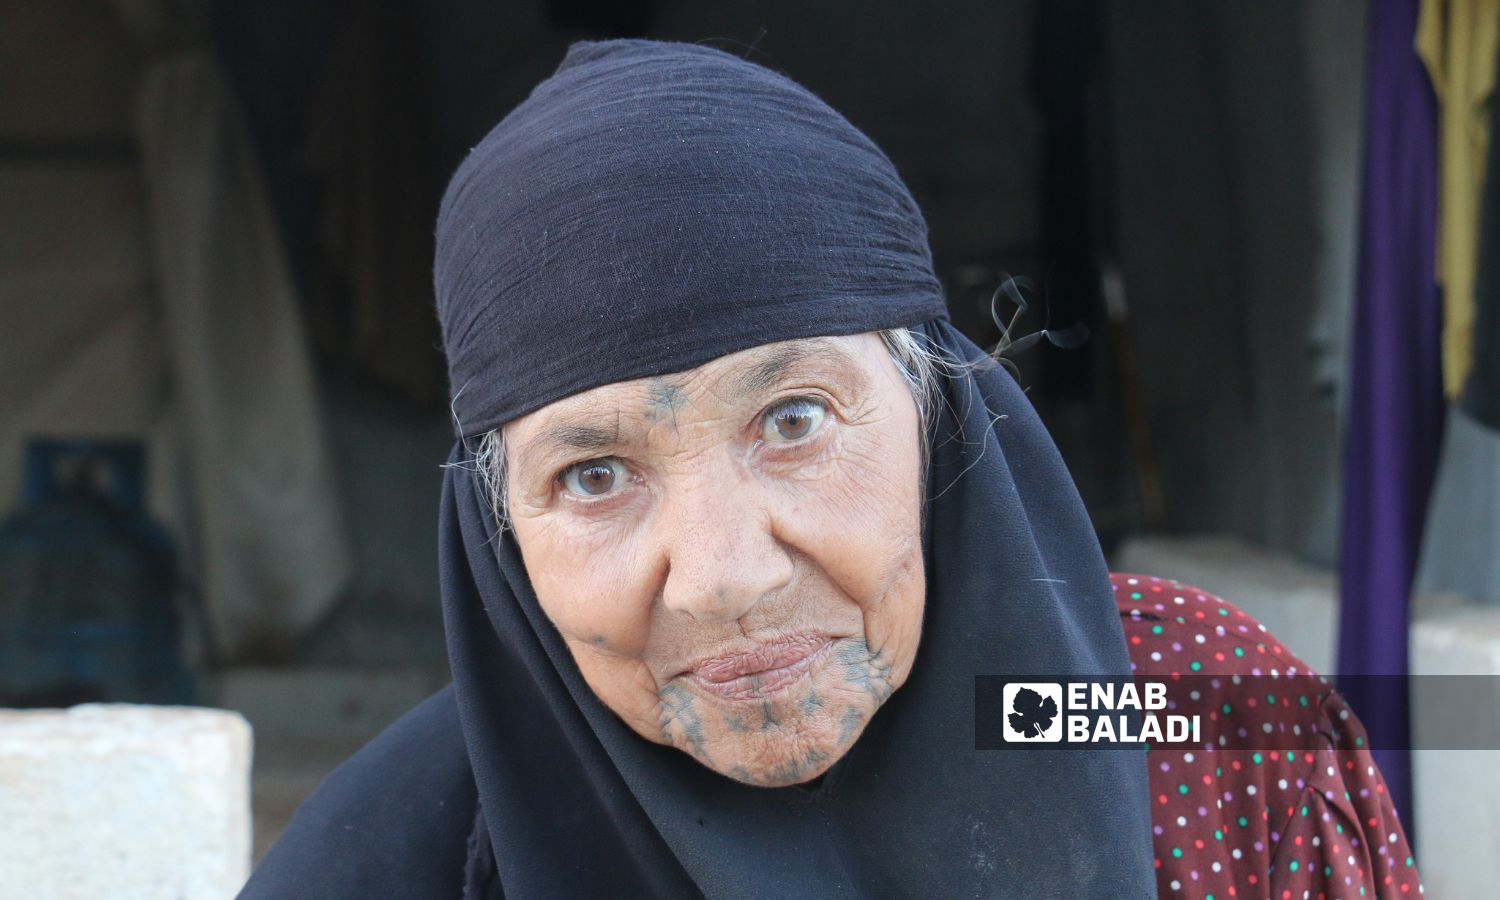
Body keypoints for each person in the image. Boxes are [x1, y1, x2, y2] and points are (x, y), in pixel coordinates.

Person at [238, 38, 1419, 899]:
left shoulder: (1198, 723)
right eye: (594, 476)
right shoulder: (392, 866)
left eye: (794, 419)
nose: (724, 578)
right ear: (500, 546)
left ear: (938, 417)